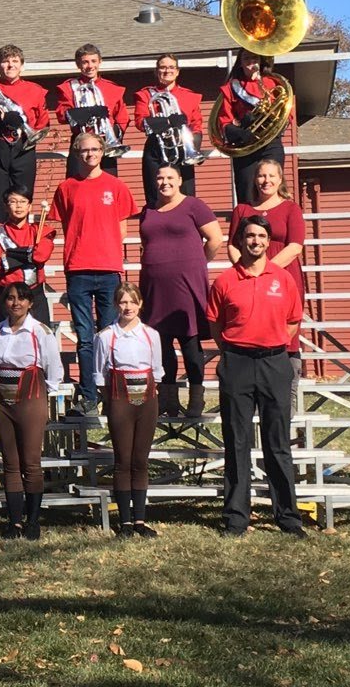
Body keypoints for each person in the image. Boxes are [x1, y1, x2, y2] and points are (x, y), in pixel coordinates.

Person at [205, 215, 306, 538]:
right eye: (250, 236)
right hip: (237, 363)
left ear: (267, 240)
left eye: (261, 236)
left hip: (275, 362)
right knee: (237, 441)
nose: (256, 241)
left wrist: (269, 343)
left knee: (278, 444)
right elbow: (216, 326)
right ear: (241, 241)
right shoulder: (224, 281)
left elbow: (292, 322)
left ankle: (287, 517)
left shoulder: (283, 278)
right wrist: (237, 350)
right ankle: (236, 518)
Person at [53, 132, 137, 415]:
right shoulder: (66, 188)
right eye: (84, 150)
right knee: (85, 337)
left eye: (94, 149)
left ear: (103, 152)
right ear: (77, 154)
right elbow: (67, 223)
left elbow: (123, 228)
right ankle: (89, 395)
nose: (89, 154)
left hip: (109, 269)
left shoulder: (116, 186)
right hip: (78, 268)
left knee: (111, 334)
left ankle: (112, 391)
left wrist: (111, 254)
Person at [139, 166, 221, 418]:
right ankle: (168, 399)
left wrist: (196, 263)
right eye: (160, 177)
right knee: (161, 345)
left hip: (187, 286)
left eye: (170, 178)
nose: (164, 182)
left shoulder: (194, 205)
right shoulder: (148, 210)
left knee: (190, 344)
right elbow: (147, 243)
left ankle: (196, 398)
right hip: (155, 288)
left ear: (180, 181)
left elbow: (215, 239)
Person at [0, 282, 62, 540]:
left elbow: (54, 369)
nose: (15, 303)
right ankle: (15, 522)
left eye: (21, 299)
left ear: (30, 303)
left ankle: (33, 521)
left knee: (30, 462)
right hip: (4, 401)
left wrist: (41, 394)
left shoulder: (40, 331)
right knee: (10, 462)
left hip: (31, 397)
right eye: (10, 299)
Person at [229, 159, 307, 390]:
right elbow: (233, 245)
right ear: (255, 179)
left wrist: (266, 271)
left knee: (284, 333)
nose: (266, 181)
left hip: (284, 279)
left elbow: (295, 246)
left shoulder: (291, 208)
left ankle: (285, 394)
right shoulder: (243, 210)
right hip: (247, 280)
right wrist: (245, 271)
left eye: (272, 176)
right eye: (262, 176)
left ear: (280, 179)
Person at [93, 283, 164, 537]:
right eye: (123, 302)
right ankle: (124, 522)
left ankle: (140, 521)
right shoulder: (106, 336)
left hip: (146, 399)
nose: (128, 307)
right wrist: (111, 401)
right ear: (116, 305)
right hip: (119, 398)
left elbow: (157, 370)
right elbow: (100, 374)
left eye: (132, 302)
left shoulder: (151, 335)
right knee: (123, 460)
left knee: (140, 460)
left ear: (140, 304)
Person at [0, 45, 50, 225]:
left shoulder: (35, 90)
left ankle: (21, 241)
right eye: (5, 61)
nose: (10, 65)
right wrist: (1, 118)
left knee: (23, 195)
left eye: (15, 61)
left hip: (24, 148)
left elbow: (43, 123)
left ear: (22, 65)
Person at [216, 49, 287, 205]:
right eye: (246, 58)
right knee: (247, 192)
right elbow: (224, 122)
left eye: (255, 58)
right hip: (246, 145)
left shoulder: (274, 83)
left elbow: (287, 114)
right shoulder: (231, 87)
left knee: (273, 190)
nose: (251, 62)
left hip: (270, 144)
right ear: (240, 63)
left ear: (261, 61)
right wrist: (241, 132)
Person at [134, 53, 204, 208]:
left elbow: (196, 124)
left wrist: (195, 149)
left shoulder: (189, 96)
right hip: (156, 151)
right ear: (156, 71)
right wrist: (168, 122)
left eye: (171, 67)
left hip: (183, 150)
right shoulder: (145, 94)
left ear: (178, 71)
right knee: (155, 197)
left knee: (186, 198)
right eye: (163, 67)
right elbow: (141, 122)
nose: (167, 71)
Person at [0, 185, 56, 326]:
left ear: (29, 206)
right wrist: (28, 255)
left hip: (35, 294)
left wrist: (7, 255)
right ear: (6, 206)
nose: (18, 206)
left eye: (23, 201)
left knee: (39, 342)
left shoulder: (40, 230)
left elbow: (40, 255)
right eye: (13, 201)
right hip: (7, 295)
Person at [54, 43, 129, 177]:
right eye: (85, 62)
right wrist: (86, 113)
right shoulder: (68, 87)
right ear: (78, 65)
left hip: (106, 144)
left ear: (100, 62)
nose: (90, 66)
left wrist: (113, 137)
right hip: (80, 144)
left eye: (93, 61)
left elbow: (123, 118)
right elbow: (61, 116)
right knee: (76, 187)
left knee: (107, 187)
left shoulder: (113, 88)